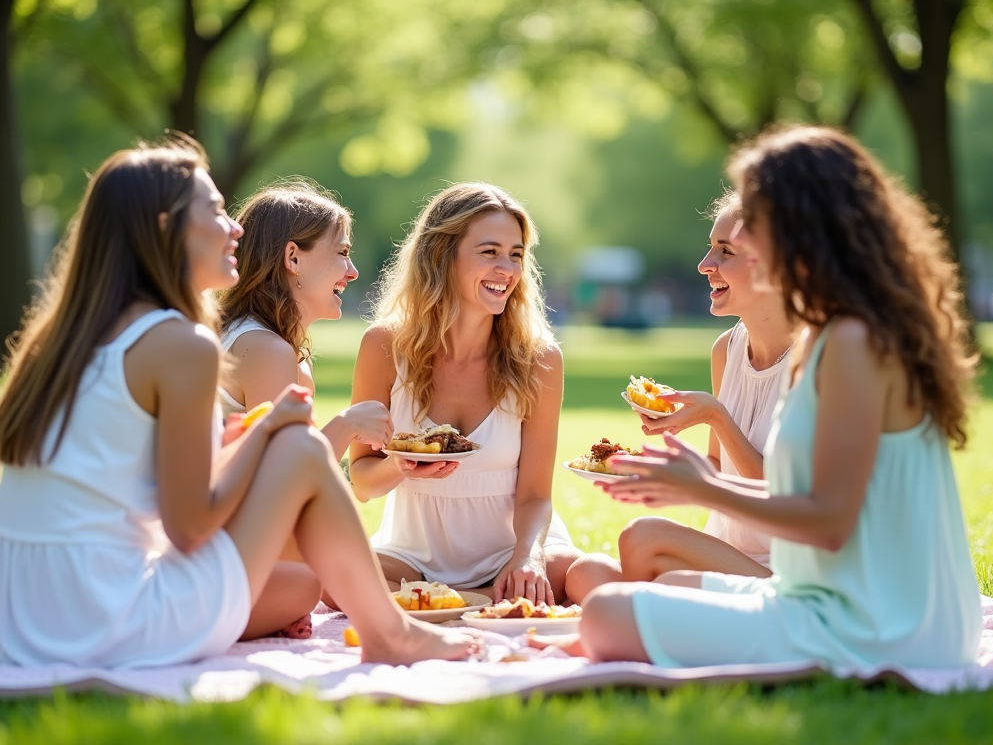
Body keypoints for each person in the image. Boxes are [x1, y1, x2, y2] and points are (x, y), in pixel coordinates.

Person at [0, 139, 479, 668]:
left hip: (24, 614)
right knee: (300, 450)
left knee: (298, 580)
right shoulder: (181, 343)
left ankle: (382, 624)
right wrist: (271, 432)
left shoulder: (59, 339)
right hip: (102, 620)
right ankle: (390, 634)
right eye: (215, 211)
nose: (235, 228)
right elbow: (189, 526)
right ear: (166, 228)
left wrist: (245, 444)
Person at [578, 125, 982, 670]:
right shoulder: (830, 333)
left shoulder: (854, 341)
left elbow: (831, 521)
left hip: (876, 626)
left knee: (606, 613)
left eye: (753, 223)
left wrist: (708, 487)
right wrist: (695, 481)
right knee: (630, 593)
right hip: (821, 596)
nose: (738, 241)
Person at [349, 182, 582, 605]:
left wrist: (527, 558)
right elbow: (362, 480)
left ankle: (451, 600)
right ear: (442, 256)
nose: (507, 270)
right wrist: (400, 467)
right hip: (412, 556)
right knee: (335, 577)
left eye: (515, 255)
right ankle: (480, 600)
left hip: (507, 554)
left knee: (597, 574)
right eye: (489, 252)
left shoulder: (540, 359)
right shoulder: (383, 346)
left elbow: (535, 496)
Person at [564, 193, 794, 602]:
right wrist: (649, 475)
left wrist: (718, 418)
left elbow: (788, 504)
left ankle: (659, 611)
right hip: (725, 554)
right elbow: (717, 469)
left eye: (725, 251)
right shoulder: (727, 350)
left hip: (783, 571)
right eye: (710, 248)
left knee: (642, 539)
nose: (705, 264)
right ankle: (663, 611)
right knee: (587, 574)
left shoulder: (815, 362)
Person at [219, 179, 392, 459]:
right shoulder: (266, 350)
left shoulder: (278, 347)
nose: (353, 272)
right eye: (343, 253)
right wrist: (348, 424)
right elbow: (281, 473)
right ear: (293, 258)